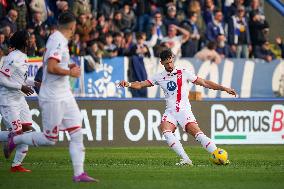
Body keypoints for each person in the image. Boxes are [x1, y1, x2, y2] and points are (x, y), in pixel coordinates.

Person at [4, 12, 97, 182]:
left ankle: (79, 173)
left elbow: (53, 63)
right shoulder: (58, 40)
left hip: (64, 93)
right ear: (73, 26)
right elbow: (52, 68)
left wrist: (68, 65)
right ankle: (15, 139)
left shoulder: (58, 38)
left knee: (77, 131)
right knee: (49, 139)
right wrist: (70, 71)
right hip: (53, 95)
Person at [118, 49, 236, 165]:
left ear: (173, 59)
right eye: (166, 63)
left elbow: (204, 82)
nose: (169, 65)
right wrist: (128, 84)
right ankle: (186, 159)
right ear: (162, 63)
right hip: (170, 111)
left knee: (198, 134)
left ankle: (218, 155)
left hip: (184, 111)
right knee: (166, 130)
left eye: (170, 62)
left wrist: (224, 88)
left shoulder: (183, 73)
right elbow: (141, 84)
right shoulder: (159, 77)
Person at [0, 30, 37, 172]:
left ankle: (16, 166)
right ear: (23, 41)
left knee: (26, 129)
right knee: (18, 133)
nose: (31, 40)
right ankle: (14, 158)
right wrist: (21, 86)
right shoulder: (13, 57)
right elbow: (2, 79)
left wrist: (34, 83)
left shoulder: (23, 56)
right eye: (28, 38)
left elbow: (19, 78)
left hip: (19, 99)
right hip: (8, 100)